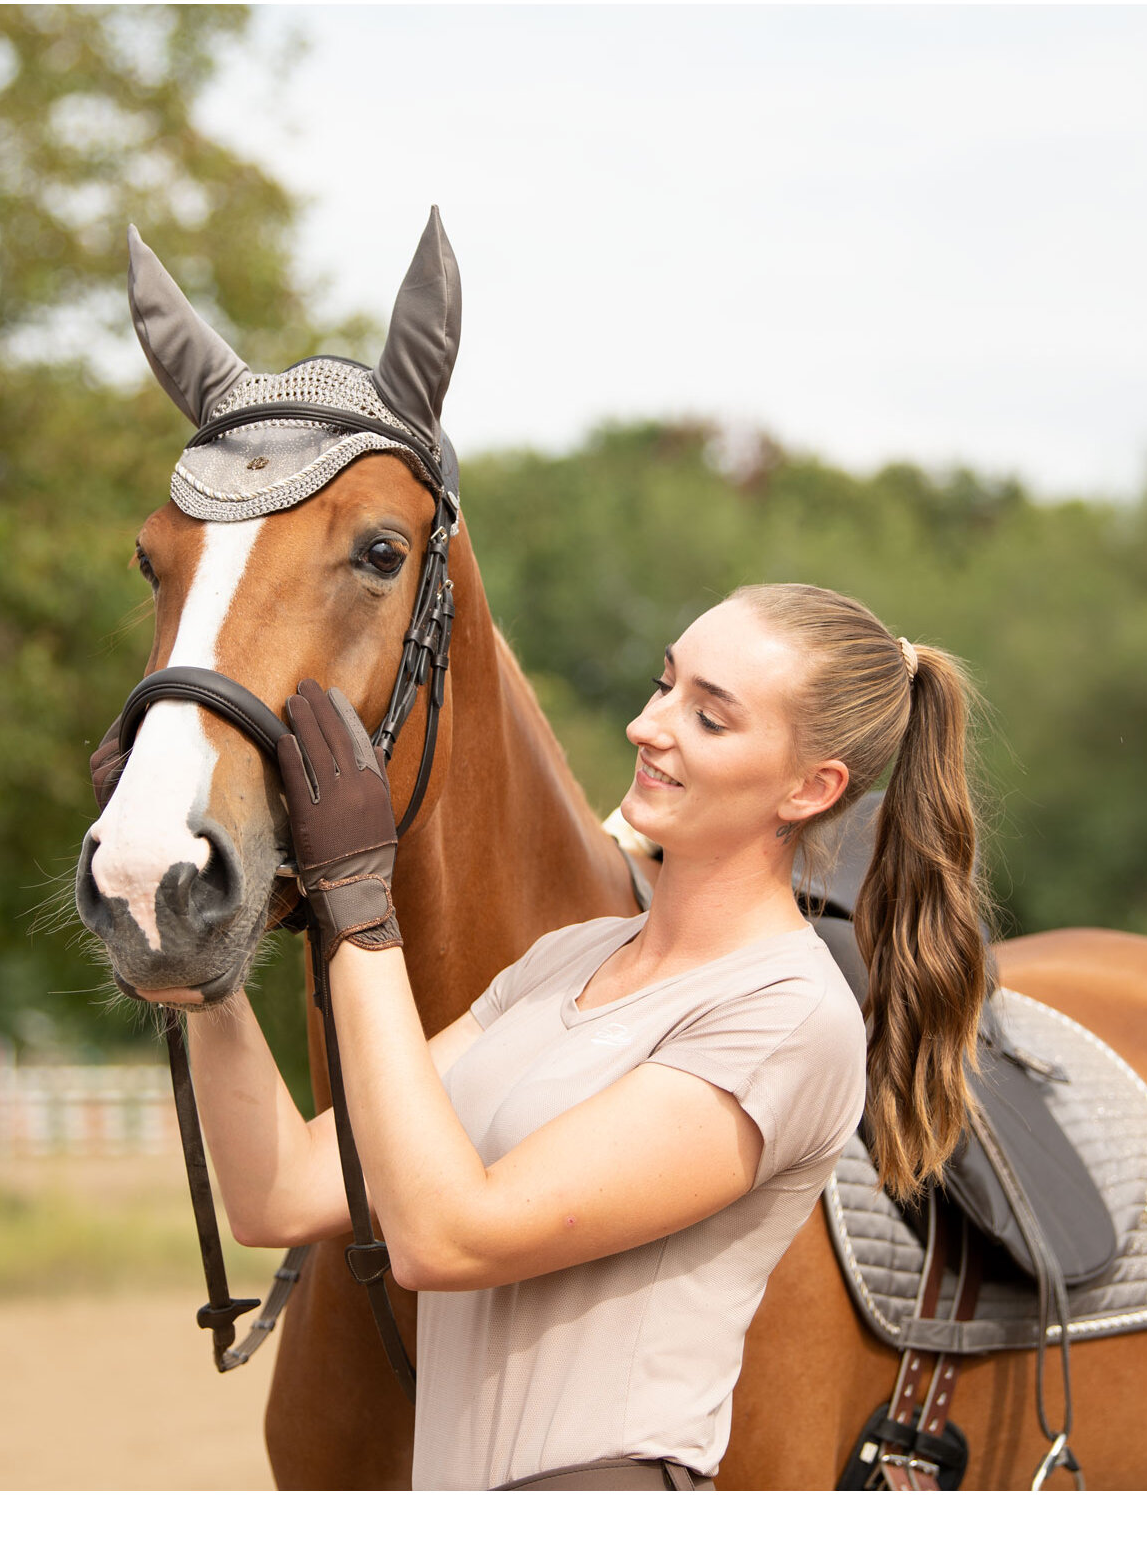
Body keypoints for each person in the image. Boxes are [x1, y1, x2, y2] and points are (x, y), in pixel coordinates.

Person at [176, 581, 993, 1490]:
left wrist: (358, 908)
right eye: (664, 685)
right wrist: (196, 948)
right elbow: (280, 1195)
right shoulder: (565, 962)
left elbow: (449, 1241)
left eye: (710, 719)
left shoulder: (786, 1015)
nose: (650, 727)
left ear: (812, 788)